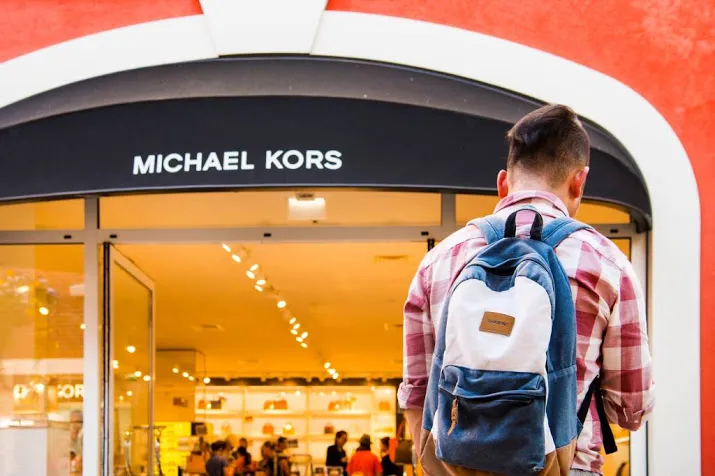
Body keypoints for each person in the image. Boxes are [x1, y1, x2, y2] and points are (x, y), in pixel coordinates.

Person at [399, 104, 655, 476]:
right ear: (579, 181)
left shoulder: (440, 260)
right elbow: (631, 408)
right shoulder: (608, 265)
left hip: (460, 467)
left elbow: (417, 393)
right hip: (564, 466)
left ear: (502, 182)